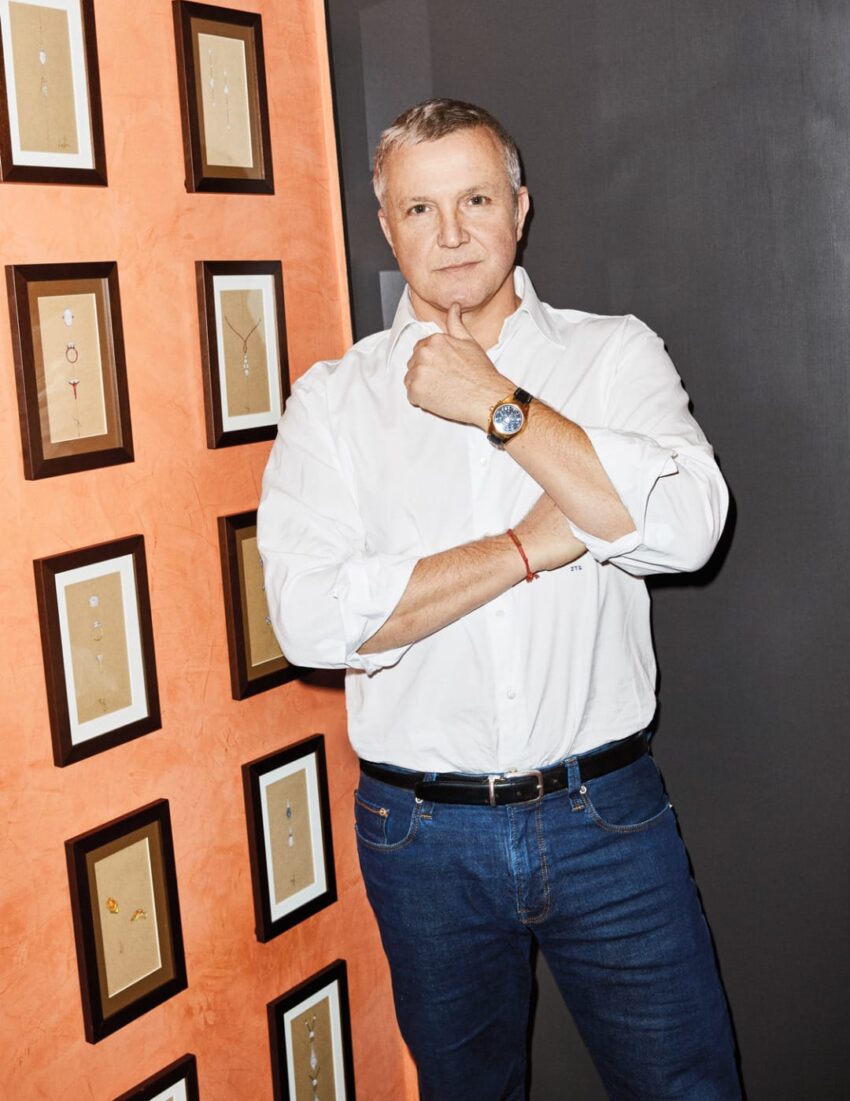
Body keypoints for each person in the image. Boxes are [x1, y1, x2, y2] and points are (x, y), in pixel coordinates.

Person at [257, 99, 741, 1100]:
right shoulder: (334, 401)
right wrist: (530, 543)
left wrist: (499, 407)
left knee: (688, 1088)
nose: (451, 234)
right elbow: (309, 621)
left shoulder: (609, 356)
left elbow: (689, 526)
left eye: (475, 198)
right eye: (420, 208)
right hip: (419, 835)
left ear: (518, 208)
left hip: (605, 814)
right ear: (384, 224)